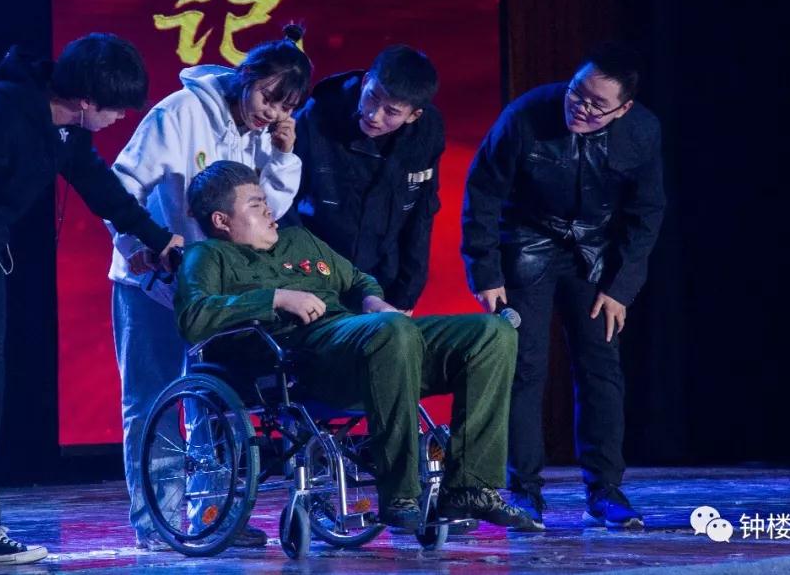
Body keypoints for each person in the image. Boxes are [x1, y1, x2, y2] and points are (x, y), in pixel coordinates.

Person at [0, 34, 180, 571]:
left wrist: (158, 239)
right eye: (115, 107)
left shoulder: (63, 127)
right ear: (86, 100)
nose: (119, 117)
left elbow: (100, 187)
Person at [175, 160, 533, 531]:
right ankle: (400, 495)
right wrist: (277, 298)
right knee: (391, 331)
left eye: (265, 201)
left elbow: (358, 280)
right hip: (306, 360)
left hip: (370, 339)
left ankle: (470, 487)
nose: (268, 211)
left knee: (491, 333)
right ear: (221, 221)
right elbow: (194, 316)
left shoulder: (298, 240)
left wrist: (372, 299)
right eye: (255, 205)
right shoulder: (207, 257)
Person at [106, 25, 311, 550]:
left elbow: (264, 217)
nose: (271, 112)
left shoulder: (261, 136)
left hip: (218, 290)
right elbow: (121, 185)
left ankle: (214, 518)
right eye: (268, 97)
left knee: (216, 402)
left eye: (285, 107)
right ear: (246, 77)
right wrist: (136, 244)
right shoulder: (179, 113)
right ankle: (160, 521)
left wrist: (282, 157)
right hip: (152, 284)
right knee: (151, 402)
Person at [461, 42, 665, 530]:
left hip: (595, 250)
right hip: (529, 240)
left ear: (623, 109)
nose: (581, 108)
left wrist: (621, 287)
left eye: (597, 105)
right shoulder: (526, 115)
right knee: (524, 366)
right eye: (577, 93)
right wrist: (486, 273)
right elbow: (482, 192)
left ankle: (606, 490)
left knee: (601, 366)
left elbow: (647, 212)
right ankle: (524, 491)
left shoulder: (642, 131)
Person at [283, 45, 442, 313]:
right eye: (372, 97)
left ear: (414, 115)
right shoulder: (318, 113)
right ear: (366, 80)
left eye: (391, 112)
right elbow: (284, 200)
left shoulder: (427, 133)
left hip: (382, 279)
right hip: (315, 273)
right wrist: (299, 277)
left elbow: (421, 213)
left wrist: (405, 296)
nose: (373, 115)